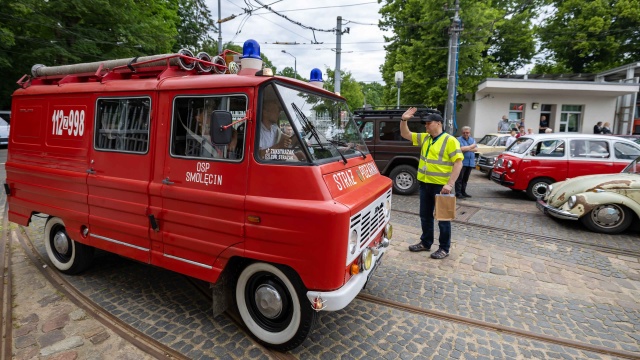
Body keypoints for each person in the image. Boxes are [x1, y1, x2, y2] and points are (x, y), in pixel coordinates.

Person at [400, 108, 463, 260]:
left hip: (441, 188)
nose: (426, 126)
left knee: (443, 219)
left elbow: (458, 163)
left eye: (428, 123)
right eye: (425, 124)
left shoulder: (450, 140)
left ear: (438, 123)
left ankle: (444, 248)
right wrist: (404, 120)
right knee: (425, 216)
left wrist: (449, 185)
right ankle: (426, 242)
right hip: (425, 184)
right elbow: (405, 134)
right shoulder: (426, 138)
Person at [455, 126, 476, 199]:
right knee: (459, 179)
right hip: (462, 162)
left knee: (465, 179)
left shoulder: (472, 139)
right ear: (462, 133)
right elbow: (460, 149)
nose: (465, 134)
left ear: (470, 133)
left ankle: (463, 192)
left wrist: (467, 148)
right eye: (464, 133)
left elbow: (476, 149)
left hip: (470, 163)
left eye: (467, 132)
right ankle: (458, 193)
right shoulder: (458, 139)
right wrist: (471, 147)